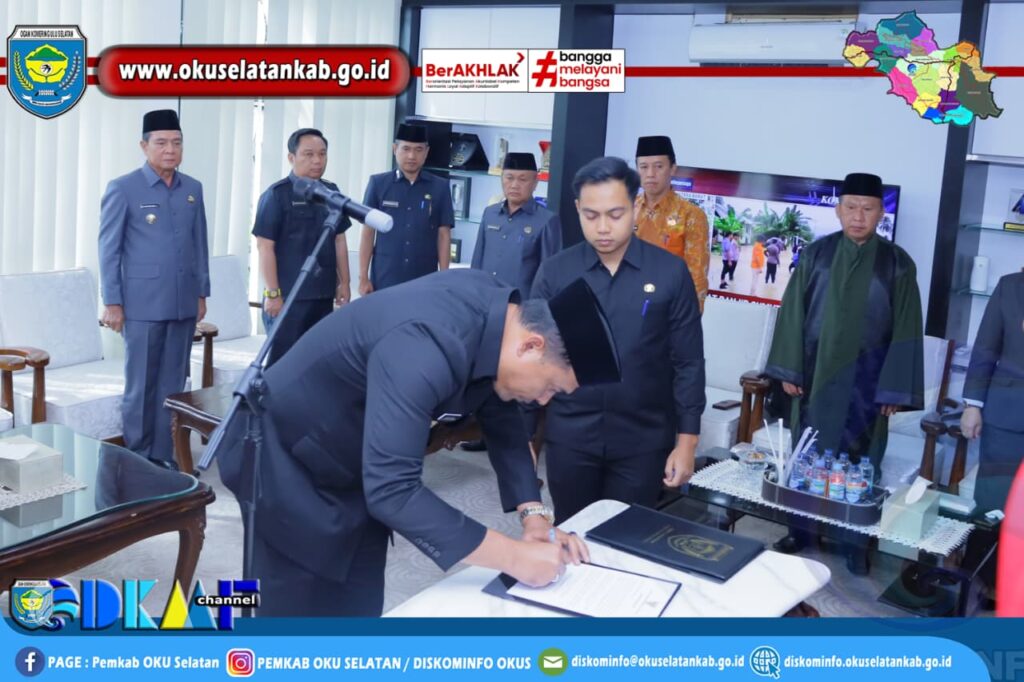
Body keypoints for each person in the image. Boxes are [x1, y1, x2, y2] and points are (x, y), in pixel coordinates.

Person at [217, 269, 621, 616]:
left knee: (358, 597)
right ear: (531, 345)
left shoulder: (500, 318)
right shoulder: (426, 342)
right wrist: (514, 557)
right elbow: (393, 490)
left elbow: (500, 410)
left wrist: (535, 518)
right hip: (283, 457)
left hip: (359, 457)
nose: (544, 401)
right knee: (295, 608)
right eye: (551, 386)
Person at [530, 156, 706, 523]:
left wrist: (687, 442)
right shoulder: (556, 272)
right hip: (571, 437)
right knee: (572, 532)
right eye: (591, 215)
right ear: (577, 209)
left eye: (615, 214)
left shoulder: (670, 272)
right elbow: (533, 359)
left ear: (635, 208)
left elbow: (688, 361)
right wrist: (524, 440)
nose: (603, 228)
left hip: (643, 440)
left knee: (630, 535)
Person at [765, 172, 924, 573]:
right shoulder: (816, 255)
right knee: (807, 456)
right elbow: (792, 313)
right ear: (838, 210)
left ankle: (854, 544)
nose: (858, 216)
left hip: (868, 386)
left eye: (867, 208)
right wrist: (790, 369)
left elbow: (907, 326)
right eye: (851, 207)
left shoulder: (898, 264)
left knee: (861, 463)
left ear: (880, 213)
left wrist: (894, 390)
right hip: (815, 377)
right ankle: (800, 532)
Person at [98, 109, 210, 470]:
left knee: (173, 383)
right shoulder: (123, 188)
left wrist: (201, 293)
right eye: (161, 143)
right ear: (144, 146)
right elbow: (109, 250)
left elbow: (200, 243)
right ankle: (138, 456)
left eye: (176, 143)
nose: (170, 150)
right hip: (142, 304)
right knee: (141, 384)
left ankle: (164, 454)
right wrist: (112, 302)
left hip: (182, 302)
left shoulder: (192, 188)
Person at [463, 151, 562, 454]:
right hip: (489, 311)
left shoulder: (546, 221)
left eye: (522, 179)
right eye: (509, 178)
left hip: (524, 318)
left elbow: (551, 275)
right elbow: (477, 263)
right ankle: (485, 434)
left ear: (535, 182)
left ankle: (522, 445)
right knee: (487, 377)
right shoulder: (489, 214)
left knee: (522, 381)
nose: (514, 185)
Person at [253, 128, 351, 366]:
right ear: (291, 157)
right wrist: (273, 293)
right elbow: (265, 247)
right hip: (288, 297)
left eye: (322, 154)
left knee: (315, 364)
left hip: (322, 295)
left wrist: (345, 283)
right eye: (309, 154)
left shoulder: (332, 192)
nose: (317, 160)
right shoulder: (276, 195)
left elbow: (339, 240)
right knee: (282, 366)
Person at [358, 123, 453, 294]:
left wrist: (443, 278)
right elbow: (368, 232)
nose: (411, 156)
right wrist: (363, 277)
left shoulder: (440, 187)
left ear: (426, 152)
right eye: (406, 149)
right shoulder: (378, 184)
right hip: (385, 277)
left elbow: (444, 235)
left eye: (418, 150)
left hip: (424, 278)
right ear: (395, 149)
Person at [961, 270, 1024, 514]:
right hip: (1006, 417)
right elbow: (985, 348)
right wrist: (972, 405)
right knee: (994, 504)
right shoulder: (1010, 286)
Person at [633, 136, 710, 312]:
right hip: (625, 308)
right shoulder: (626, 210)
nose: (650, 174)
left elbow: (696, 279)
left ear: (673, 169)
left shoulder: (691, 215)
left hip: (668, 312)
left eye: (658, 166)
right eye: (644, 167)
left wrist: (688, 321)